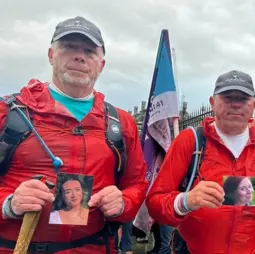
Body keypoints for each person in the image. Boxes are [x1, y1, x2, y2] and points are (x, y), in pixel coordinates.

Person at [0, 16, 148, 253]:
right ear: (51, 55)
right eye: (69, 47)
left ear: (101, 64)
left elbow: (136, 184)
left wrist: (123, 203)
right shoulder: (8, 112)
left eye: (89, 51)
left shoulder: (121, 123)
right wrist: (8, 204)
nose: (80, 56)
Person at [145, 70, 255, 254]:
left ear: (253, 105)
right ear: (212, 103)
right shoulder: (191, 142)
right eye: (228, 97)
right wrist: (185, 202)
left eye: (243, 98)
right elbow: (154, 202)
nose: (235, 104)